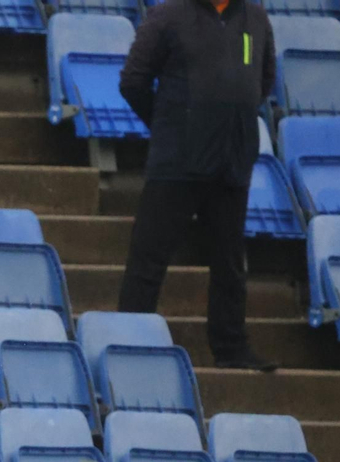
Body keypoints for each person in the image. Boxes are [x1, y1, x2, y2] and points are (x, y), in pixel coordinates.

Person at [117, 0, 278, 372]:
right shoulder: (168, 14)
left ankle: (231, 348)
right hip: (177, 161)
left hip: (232, 157)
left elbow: (262, 79)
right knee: (148, 258)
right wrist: (172, 124)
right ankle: (129, 343)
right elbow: (133, 81)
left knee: (230, 262)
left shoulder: (255, 17)